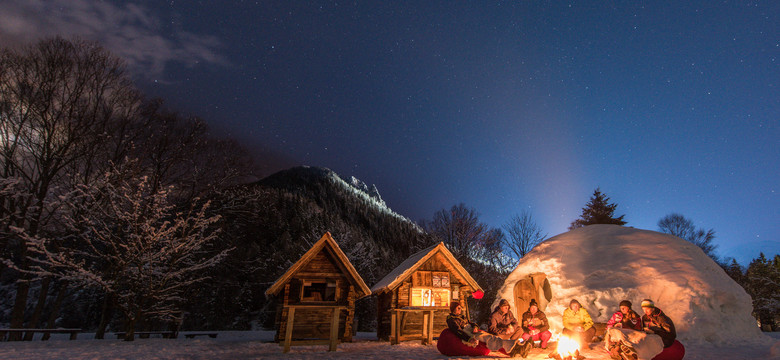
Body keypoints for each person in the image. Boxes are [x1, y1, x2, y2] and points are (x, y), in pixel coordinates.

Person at [438, 301, 527, 357]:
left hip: (472, 330)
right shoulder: (451, 319)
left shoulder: (461, 317)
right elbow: (457, 330)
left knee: (493, 339)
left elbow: (472, 323)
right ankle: (515, 349)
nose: (460, 310)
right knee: (490, 339)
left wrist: (475, 327)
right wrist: (469, 339)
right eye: (458, 308)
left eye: (460, 308)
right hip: (467, 333)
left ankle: (515, 349)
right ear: (453, 309)